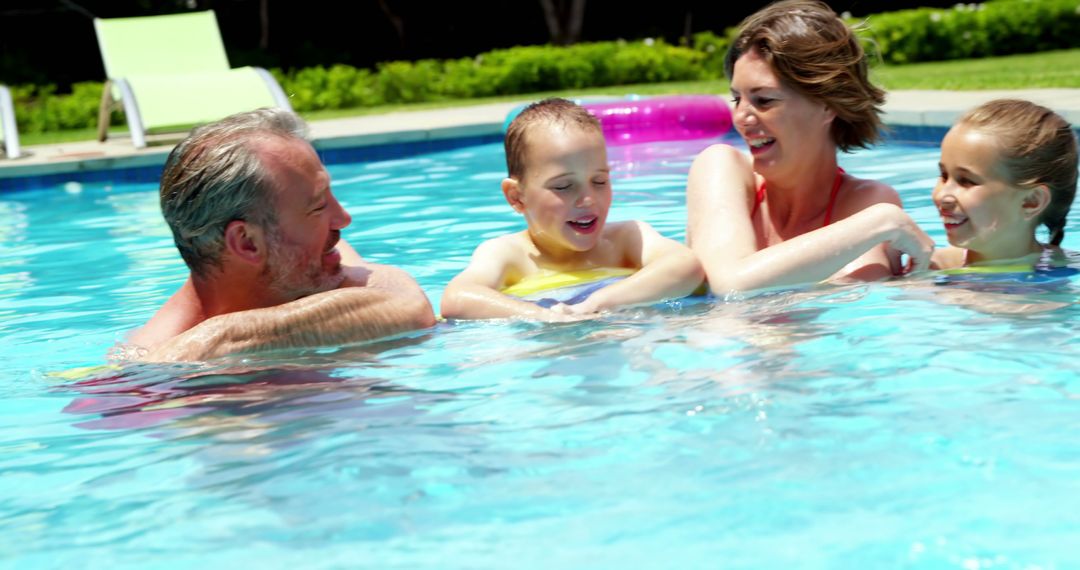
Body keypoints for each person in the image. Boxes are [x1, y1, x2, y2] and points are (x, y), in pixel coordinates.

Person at [123, 108, 436, 362]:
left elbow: (406, 302)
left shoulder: (308, 263)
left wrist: (228, 334)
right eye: (318, 207)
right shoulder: (164, 365)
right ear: (247, 243)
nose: (343, 220)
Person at [685, 0, 934, 295]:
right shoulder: (721, 168)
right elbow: (729, 284)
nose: (740, 118)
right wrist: (881, 223)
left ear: (827, 105)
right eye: (737, 99)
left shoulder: (866, 202)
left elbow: (851, 313)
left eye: (764, 100)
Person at [440, 98, 703, 321]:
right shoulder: (509, 256)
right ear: (517, 197)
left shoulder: (626, 239)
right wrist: (541, 315)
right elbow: (457, 299)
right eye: (564, 186)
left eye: (599, 181)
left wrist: (597, 302)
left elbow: (687, 266)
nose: (588, 199)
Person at [930, 99, 1077, 269]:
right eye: (944, 175)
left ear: (1031, 201)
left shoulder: (1071, 270)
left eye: (966, 181)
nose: (942, 196)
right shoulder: (928, 268)